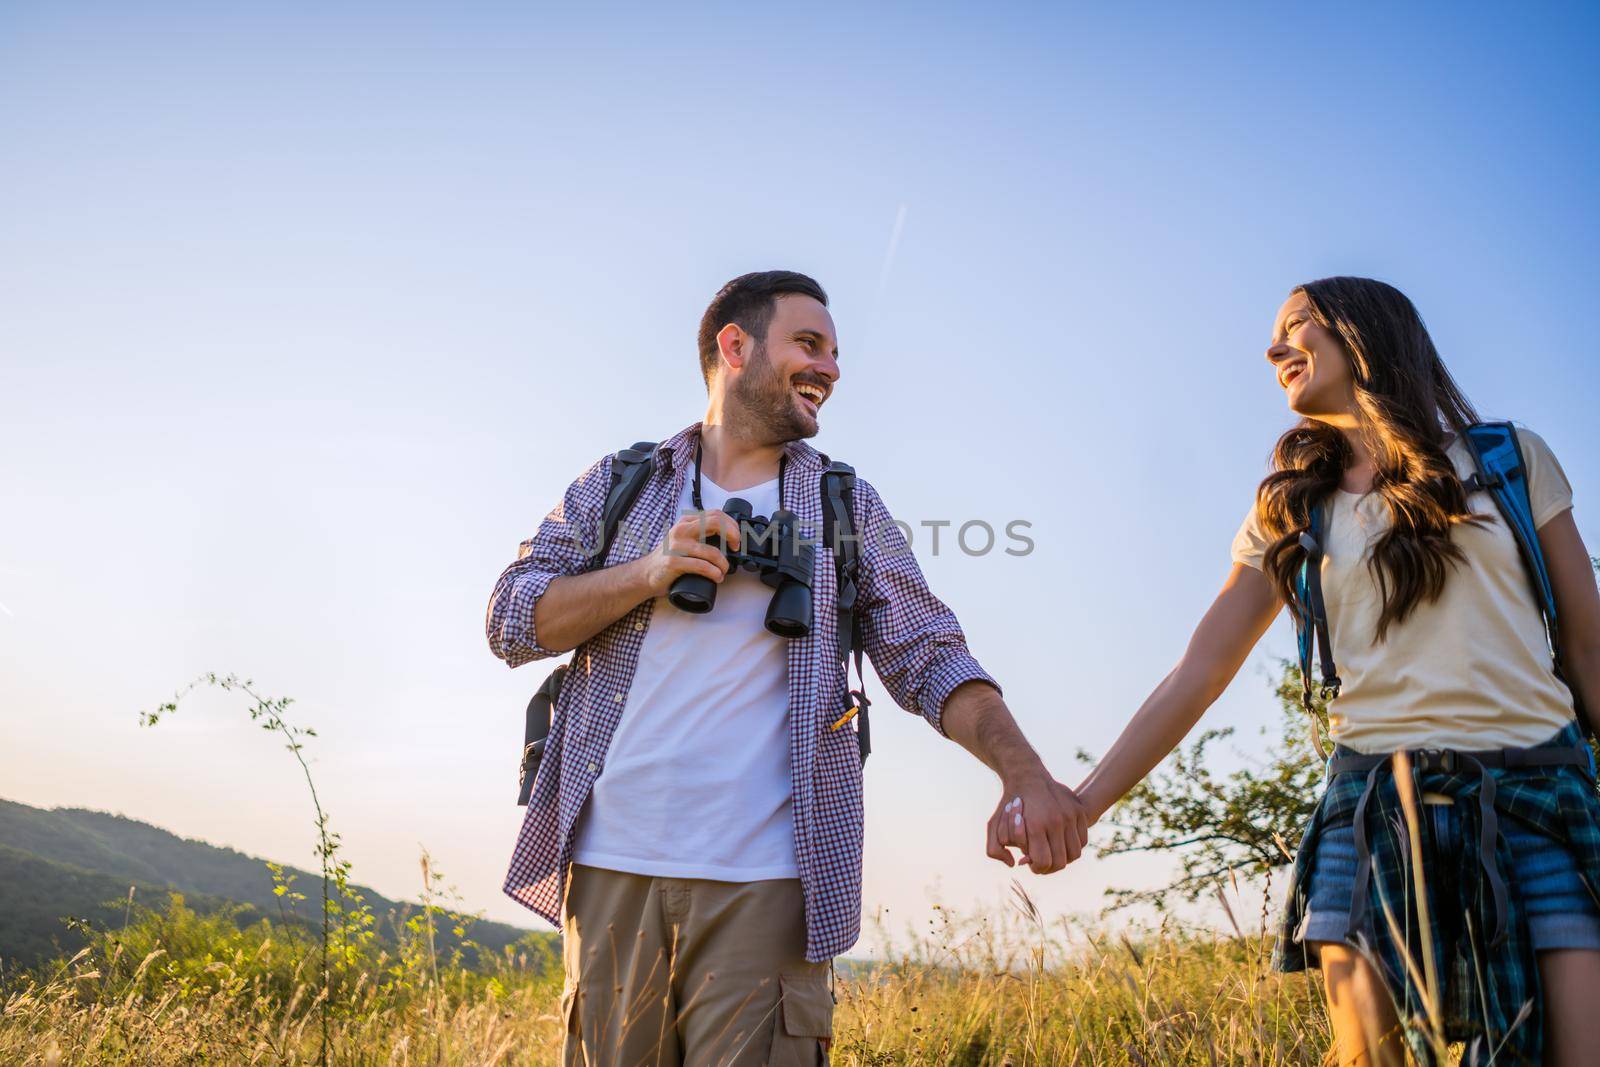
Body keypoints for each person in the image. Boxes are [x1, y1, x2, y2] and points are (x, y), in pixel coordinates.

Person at [486, 270, 1088, 1065]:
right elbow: (509, 619)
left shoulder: (847, 506)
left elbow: (929, 653)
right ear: (734, 347)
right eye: (809, 344)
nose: (832, 368)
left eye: (836, 353)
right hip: (607, 873)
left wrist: (1024, 769)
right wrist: (646, 572)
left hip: (768, 882)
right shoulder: (621, 483)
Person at [1061, 277, 1600, 1066]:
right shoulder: (1291, 510)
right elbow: (1198, 673)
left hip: (1538, 796)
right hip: (1372, 804)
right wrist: (1082, 803)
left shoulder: (1511, 460)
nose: (1275, 349)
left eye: (1296, 325)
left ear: (1364, 331)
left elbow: (1588, 645)